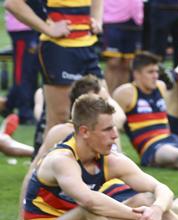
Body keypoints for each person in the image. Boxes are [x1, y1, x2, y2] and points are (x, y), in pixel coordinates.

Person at [1, 77, 178, 220]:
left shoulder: (110, 122)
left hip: (124, 188)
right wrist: (23, 217)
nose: (108, 105)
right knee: (169, 209)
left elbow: (118, 114)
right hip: (109, 198)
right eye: (100, 101)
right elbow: (35, 170)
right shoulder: (63, 132)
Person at [20, 94, 178, 220]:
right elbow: (89, 201)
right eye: (107, 129)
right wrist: (140, 217)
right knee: (89, 208)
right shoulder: (61, 159)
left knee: (146, 199)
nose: (115, 135)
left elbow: (161, 188)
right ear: (84, 132)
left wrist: (156, 210)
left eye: (114, 127)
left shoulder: (109, 158)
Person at [5, 0, 104, 136]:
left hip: (88, 47)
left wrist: (97, 19)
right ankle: (48, 155)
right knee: (60, 119)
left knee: (103, 112)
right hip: (59, 49)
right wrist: (48, 28)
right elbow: (13, 3)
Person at [4, 10, 39, 125]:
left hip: (34, 26)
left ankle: (10, 104)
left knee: (31, 72)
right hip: (22, 28)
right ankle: (24, 112)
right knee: (23, 73)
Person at [101, 0, 143, 93]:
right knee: (113, 62)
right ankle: (108, 97)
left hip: (135, 20)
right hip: (113, 18)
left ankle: (120, 98)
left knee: (127, 64)